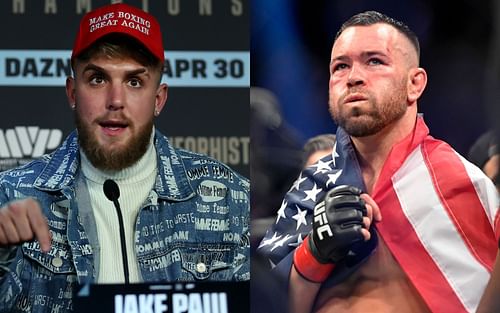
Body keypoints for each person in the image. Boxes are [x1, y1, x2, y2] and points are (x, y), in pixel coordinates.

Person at [0, 3, 250, 312]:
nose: (115, 101)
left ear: (159, 99)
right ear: (72, 93)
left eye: (134, 82)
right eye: (97, 79)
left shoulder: (231, 197)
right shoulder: (10, 195)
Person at [257, 10, 499, 313]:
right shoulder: (312, 186)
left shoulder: (461, 182)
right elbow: (269, 303)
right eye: (341, 66)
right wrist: (314, 253)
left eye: (375, 61)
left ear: (415, 83)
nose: (354, 77)